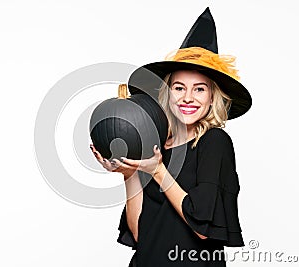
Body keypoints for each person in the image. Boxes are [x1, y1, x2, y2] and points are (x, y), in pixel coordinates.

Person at [91, 7, 251, 266]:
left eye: (199, 89)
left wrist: (157, 171)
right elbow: (140, 235)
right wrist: (129, 174)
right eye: (179, 87)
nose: (188, 97)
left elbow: (202, 228)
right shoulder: (152, 145)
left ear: (212, 99)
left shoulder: (214, 143)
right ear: (167, 93)